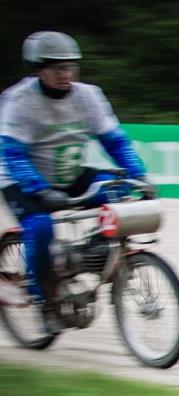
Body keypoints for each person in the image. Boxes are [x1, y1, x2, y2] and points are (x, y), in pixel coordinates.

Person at [1, 31, 150, 332]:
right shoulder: (21, 101)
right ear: (38, 70)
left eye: (70, 67)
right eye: (57, 68)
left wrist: (139, 175)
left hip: (67, 172)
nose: (65, 74)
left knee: (123, 194)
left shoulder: (88, 96)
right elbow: (13, 154)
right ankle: (45, 303)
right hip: (20, 178)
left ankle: (87, 257)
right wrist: (40, 190)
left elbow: (116, 142)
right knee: (41, 226)